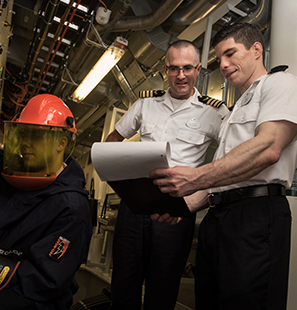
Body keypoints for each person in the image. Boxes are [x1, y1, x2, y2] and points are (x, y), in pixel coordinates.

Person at [150, 23, 297, 310]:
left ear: (256, 50)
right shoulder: (235, 108)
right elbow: (226, 176)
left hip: (255, 215)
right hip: (220, 217)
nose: (225, 65)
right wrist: (182, 206)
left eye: (231, 54)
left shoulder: (280, 84)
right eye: (220, 59)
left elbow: (268, 148)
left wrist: (195, 177)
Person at [106, 40, 227, 309]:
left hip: (177, 207)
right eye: (174, 69)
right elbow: (113, 140)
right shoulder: (145, 104)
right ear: (165, 70)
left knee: (163, 288)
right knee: (123, 284)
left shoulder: (215, 112)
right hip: (134, 204)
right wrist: (120, 179)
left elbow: (230, 155)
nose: (180, 75)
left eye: (187, 68)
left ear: (198, 69)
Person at [0, 94, 92, 310]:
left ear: (61, 143)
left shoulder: (70, 209)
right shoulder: (6, 173)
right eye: (23, 134)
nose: (25, 143)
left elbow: (40, 283)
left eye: (36, 136)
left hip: (30, 299)